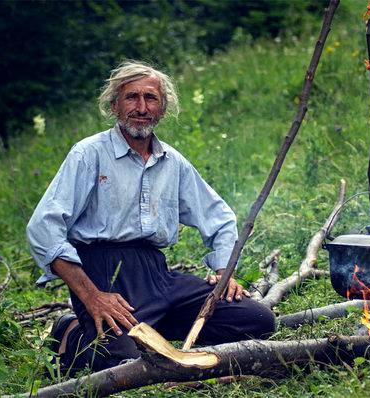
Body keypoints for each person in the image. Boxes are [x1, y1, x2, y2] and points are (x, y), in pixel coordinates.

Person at [26, 60, 275, 374]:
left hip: (158, 274)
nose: (141, 107)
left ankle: (152, 331)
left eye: (151, 98)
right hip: (106, 274)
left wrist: (224, 272)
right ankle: (73, 332)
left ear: (163, 108)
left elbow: (219, 216)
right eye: (131, 97)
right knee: (126, 365)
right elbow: (43, 229)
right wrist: (93, 297)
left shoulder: (172, 161)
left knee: (257, 320)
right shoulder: (89, 154)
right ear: (114, 105)